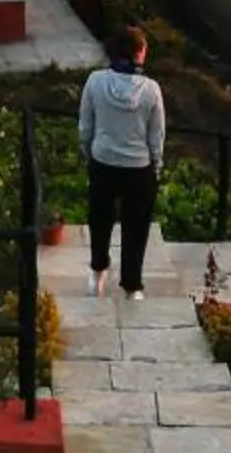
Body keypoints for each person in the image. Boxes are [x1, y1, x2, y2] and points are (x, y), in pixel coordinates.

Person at [77, 23, 166, 301]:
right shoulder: (151, 90)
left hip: (103, 161)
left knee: (100, 219)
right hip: (139, 169)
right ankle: (132, 286)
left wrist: (88, 153)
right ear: (139, 53)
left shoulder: (95, 81)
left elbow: (85, 126)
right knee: (135, 227)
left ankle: (97, 273)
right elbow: (157, 134)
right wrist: (157, 164)